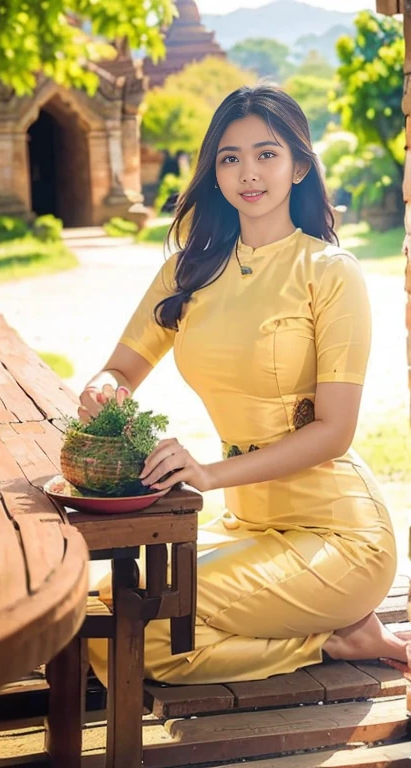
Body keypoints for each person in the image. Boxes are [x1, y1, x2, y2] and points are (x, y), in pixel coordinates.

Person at [81, 84, 410, 686]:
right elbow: (121, 368)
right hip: (248, 524)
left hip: (339, 533)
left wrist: (208, 474)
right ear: (214, 170)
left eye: (267, 153)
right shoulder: (188, 269)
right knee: (110, 596)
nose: (248, 173)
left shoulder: (330, 272)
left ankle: (331, 642)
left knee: (137, 639)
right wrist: (105, 388)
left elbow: (334, 433)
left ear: (299, 166)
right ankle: (342, 632)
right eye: (230, 157)